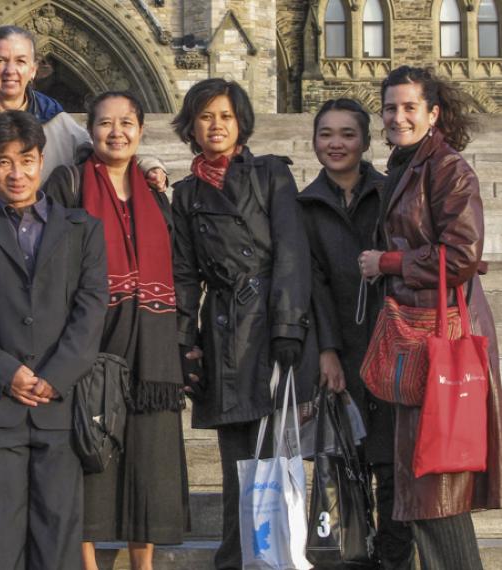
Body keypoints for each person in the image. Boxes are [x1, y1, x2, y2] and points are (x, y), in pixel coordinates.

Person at [0, 110, 108, 570]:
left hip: (59, 409)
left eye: (27, 160)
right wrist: (4, 371)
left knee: (58, 548)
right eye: (3, 162)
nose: (16, 173)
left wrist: (55, 376)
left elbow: (91, 309)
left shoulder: (83, 230)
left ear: (41, 162)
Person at [359, 65, 502, 570]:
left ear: (432, 112)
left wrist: (388, 262)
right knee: (425, 488)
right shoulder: (408, 165)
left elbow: (461, 255)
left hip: (437, 340)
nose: (398, 116)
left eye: (409, 107)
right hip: (415, 339)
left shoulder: (446, 167)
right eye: (391, 108)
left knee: (437, 488)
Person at [170, 78, 317, 569]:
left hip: (270, 324)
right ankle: (236, 556)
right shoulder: (186, 192)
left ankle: (273, 554)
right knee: (237, 458)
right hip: (222, 332)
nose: (216, 125)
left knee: (274, 453)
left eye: (225, 116)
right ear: (191, 125)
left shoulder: (270, 174)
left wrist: (288, 328)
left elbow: (293, 252)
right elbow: (185, 274)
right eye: (206, 116)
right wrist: (183, 341)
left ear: (241, 123)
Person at [44, 91, 188, 570]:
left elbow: (178, 267)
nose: (117, 131)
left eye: (127, 122)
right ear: (91, 131)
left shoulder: (157, 194)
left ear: (141, 131)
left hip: (153, 347)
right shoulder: (69, 185)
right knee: (90, 450)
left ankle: (142, 563)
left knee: (148, 459)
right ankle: (87, 563)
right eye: (106, 123)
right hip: (94, 338)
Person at [297, 98, 414, 568]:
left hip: (391, 346)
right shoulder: (304, 205)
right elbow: (314, 284)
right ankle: (352, 558)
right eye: (327, 134)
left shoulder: (390, 194)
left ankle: (394, 559)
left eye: (347, 134)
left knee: (391, 467)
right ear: (315, 142)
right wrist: (326, 350)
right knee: (347, 465)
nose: (336, 143)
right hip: (342, 348)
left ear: (366, 142)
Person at [0, 25, 167, 190]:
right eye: (0, 61)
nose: (10, 70)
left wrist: (147, 166)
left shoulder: (57, 122)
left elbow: (107, 149)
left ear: (33, 70)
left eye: (20, 61)